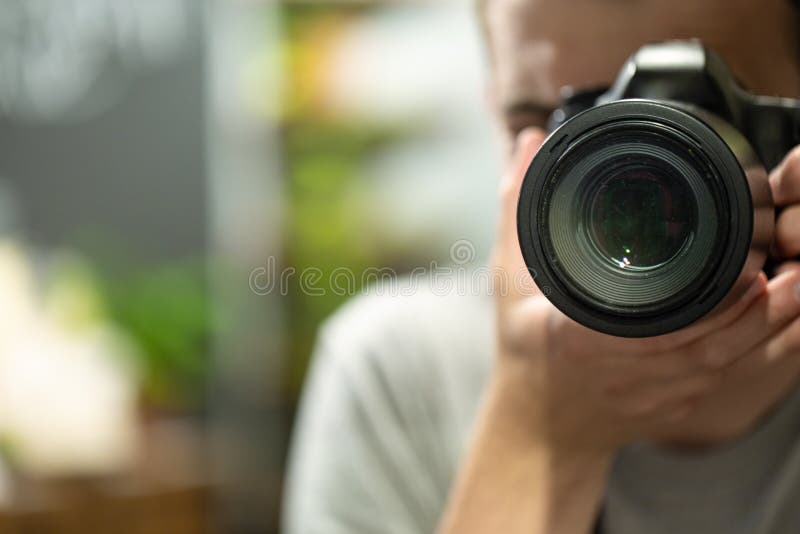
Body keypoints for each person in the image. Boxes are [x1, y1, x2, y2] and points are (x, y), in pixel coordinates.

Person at [283, 1, 800, 533]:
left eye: (686, 116)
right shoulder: (402, 373)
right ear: (498, 116)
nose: (600, 170)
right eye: (550, 124)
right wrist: (535, 431)